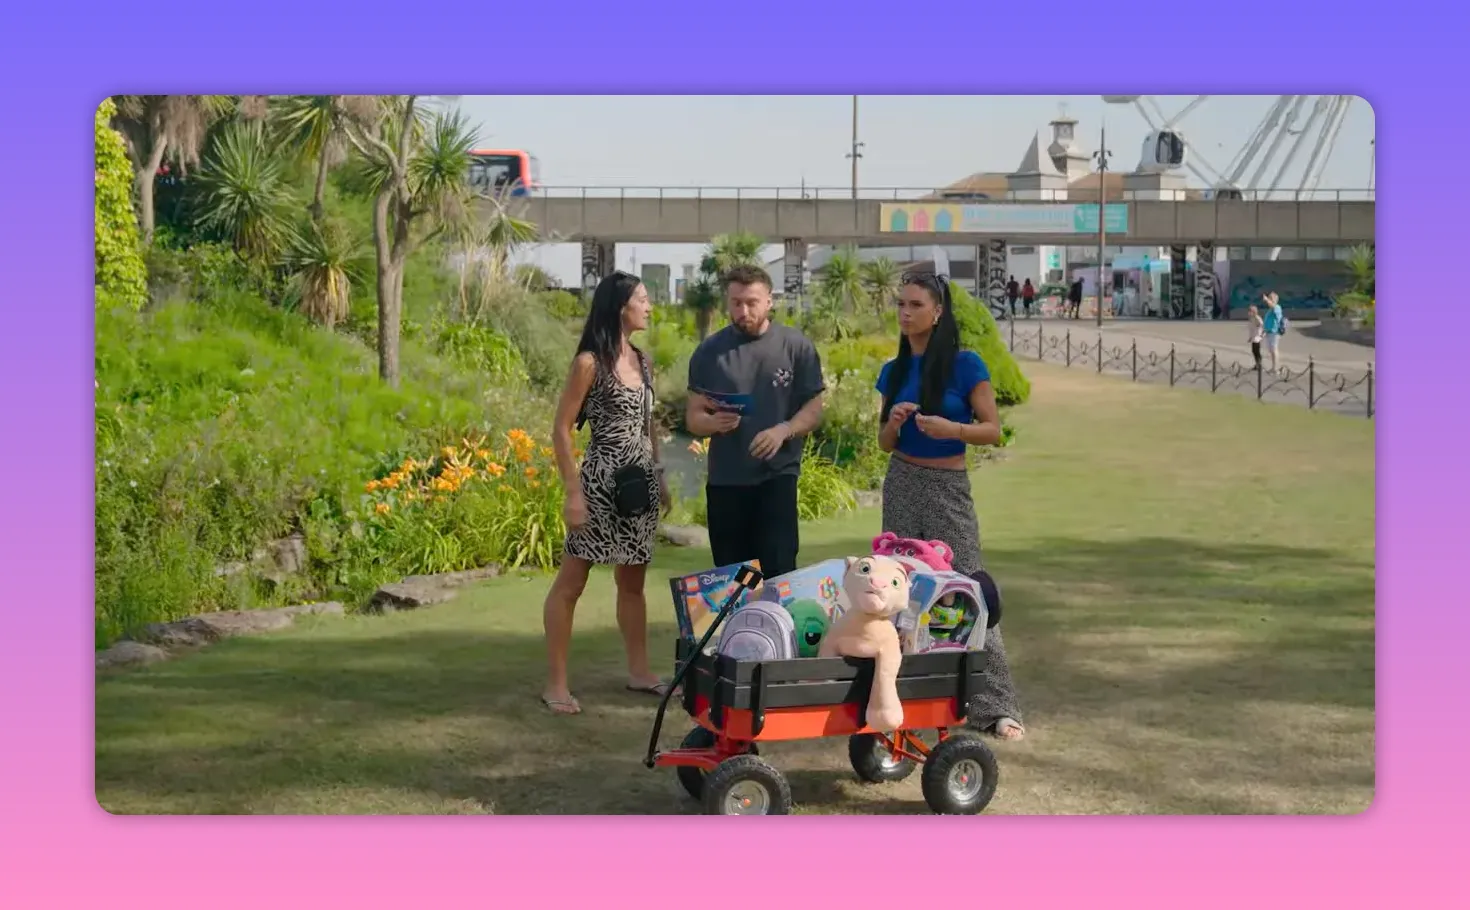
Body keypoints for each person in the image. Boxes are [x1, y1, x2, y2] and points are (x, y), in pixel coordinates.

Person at [875, 271, 1026, 740]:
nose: (905, 312)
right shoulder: (894, 370)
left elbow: (993, 429)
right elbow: (882, 443)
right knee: (895, 592)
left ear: (937, 312)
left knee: (969, 588)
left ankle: (996, 707)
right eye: (901, 304)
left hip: (947, 487)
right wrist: (896, 422)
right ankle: (899, 698)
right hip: (902, 481)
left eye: (915, 305)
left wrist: (953, 430)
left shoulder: (966, 364)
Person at [541, 271, 672, 716]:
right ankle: (556, 684)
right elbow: (561, 429)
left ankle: (639, 672)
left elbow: (648, 425)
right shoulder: (588, 363)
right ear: (621, 307)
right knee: (571, 584)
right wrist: (572, 492)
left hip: (638, 485)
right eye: (643, 298)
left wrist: (661, 475)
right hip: (598, 485)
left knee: (632, 582)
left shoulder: (644, 360)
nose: (649, 306)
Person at [686, 264, 825, 580]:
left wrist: (784, 429)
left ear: (769, 301)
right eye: (736, 303)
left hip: (776, 477)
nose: (743, 310)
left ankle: (778, 629)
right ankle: (740, 629)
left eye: (751, 302)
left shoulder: (796, 346)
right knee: (735, 578)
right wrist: (712, 424)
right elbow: (694, 416)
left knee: (779, 571)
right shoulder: (709, 353)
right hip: (725, 480)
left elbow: (814, 408)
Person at [1261, 291, 1285, 372]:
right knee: (1271, 349)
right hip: (1269, 332)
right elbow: (1267, 321)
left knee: (1274, 349)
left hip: (1274, 332)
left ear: (1275, 300)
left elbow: (1272, 305)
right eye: (1269, 297)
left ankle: (1275, 368)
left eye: (1271, 298)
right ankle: (1273, 367)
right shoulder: (1270, 310)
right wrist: (1264, 330)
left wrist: (1266, 300)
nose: (1269, 300)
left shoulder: (1277, 307)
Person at [1247, 303, 1265, 370]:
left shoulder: (1257, 318)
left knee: (1257, 351)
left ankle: (1259, 364)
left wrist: (1262, 333)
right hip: (1253, 337)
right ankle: (1257, 364)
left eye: (1250, 311)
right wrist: (1250, 337)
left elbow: (1262, 325)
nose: (1248, 312)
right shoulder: (1251, 319)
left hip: (1257, 337)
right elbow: (1251, 329)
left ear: (1254, 312)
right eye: (1248, 311)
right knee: (1254, 351)